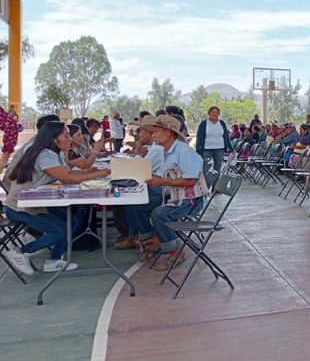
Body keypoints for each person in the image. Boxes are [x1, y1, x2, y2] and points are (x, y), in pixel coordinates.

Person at [2, 122, 110, 275]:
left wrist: (92, 173)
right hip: (20, 207)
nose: (69, 139)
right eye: (66, 136)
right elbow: (66, 178)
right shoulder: (44, 154)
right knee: (59, 230)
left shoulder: (56, 153)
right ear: (53, 138)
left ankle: (54, 260)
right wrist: (96, 175)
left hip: (36, 203)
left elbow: (70, 173)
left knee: (71, 222)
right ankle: (21, 252)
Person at [129, 115, 207, 271]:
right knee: (140, 203)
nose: (154, 135)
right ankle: (154, 238)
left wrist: (161, 182)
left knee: (159, 214)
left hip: (191, 200)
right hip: (175, 196)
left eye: (157, 131)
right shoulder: (168, 150)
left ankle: (175, 251)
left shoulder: (182, 151)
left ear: (169, 133)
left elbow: (190, 180)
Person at [115, 115, 166, 250]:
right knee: (129, 202)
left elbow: (140, 169)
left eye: (141, 132)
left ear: (149, 132)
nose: (139, 135)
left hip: (159, 189)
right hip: (153, 183)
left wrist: (137, 150)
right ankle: (134, 236)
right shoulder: (153, 148)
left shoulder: (157, 149)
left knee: (135, 203)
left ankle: (146, 236)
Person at [195, 105, 234, 173]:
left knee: (217, 169)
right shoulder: (204, 124)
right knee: (206, 169)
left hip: (219, 149)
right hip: (206, 149)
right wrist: (198, 150)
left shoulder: (222, 123)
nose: (215, 114)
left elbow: (226, 137)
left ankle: (215, 183)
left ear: (219, 114)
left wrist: (231, 149)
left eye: (217, 112)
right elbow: (199, 137)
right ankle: (206, 183)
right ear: (209, 113)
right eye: (213, 112)